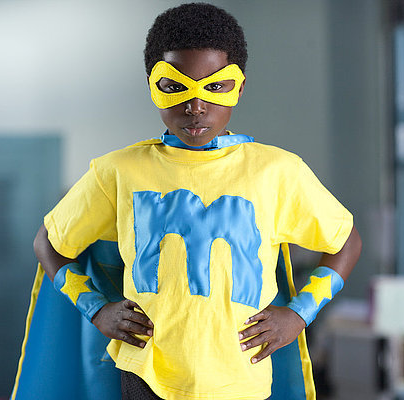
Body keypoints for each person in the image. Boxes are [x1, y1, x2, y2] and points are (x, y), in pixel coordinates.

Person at [32, 3, 362, 399]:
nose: (195, 106)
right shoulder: (117, 171)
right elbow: (48, 243)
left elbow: (346, 241)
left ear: (238, 87)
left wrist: (298, 314)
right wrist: (96, 308)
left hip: (241, 376)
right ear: (152, 84)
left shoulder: (278, 171)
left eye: (215, 86)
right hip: (146, 372)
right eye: (174, 87)